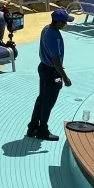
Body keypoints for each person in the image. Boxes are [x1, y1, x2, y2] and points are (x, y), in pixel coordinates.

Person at [24, 9, 73, 141]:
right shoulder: (54, 36)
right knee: (48, 102)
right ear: (58, 22)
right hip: (52, 72)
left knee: (42, 98)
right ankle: (42, 131)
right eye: (64, 22)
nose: (66, 24)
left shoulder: (46, 29)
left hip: (43, 68)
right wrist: (65, 78)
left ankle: (32, 127)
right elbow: (55, 61)